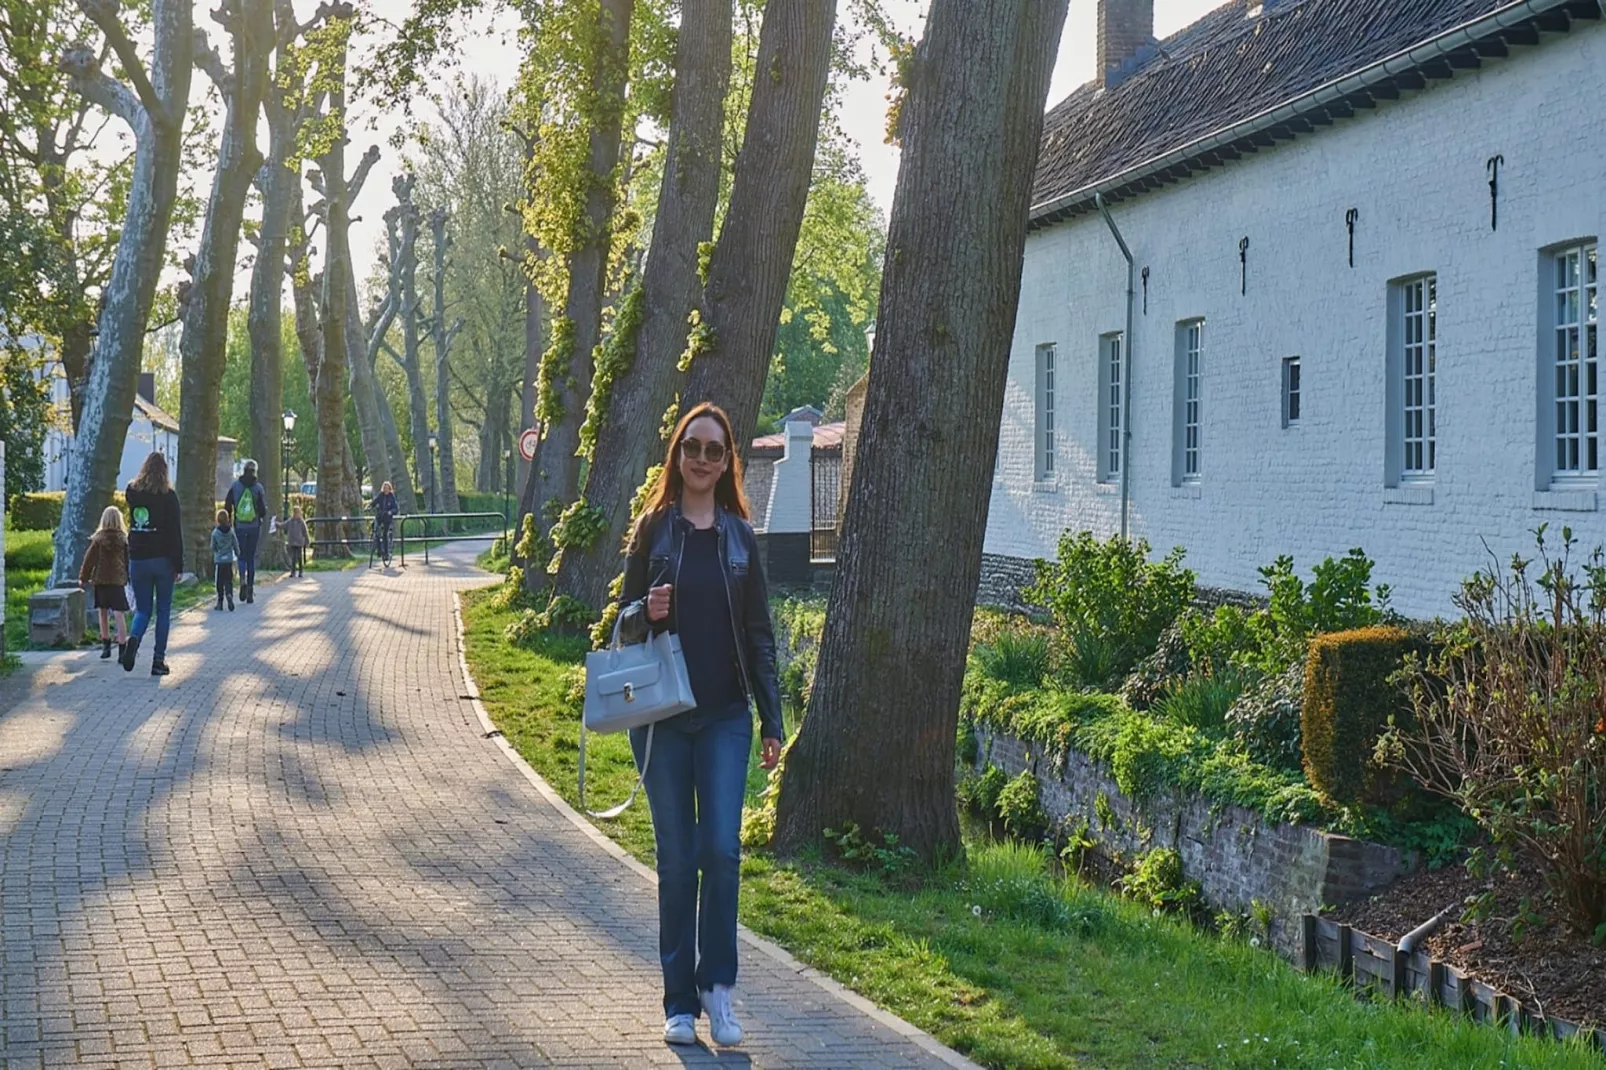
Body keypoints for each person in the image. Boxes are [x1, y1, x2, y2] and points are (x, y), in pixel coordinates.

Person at [616, 402, 784, 1049]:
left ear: (727, 461)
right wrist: (646, 609)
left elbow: (761, 635)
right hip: (662, 719)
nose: (704, 461)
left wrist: (773, 719)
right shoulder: (652, 531)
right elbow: (620, 627)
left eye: (716, 451)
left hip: (724, 718)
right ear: (677, 454)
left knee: (721, 850)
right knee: (678, 860)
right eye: (694, 448)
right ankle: (679, 1002)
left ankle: (719, 987)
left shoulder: (740, 538)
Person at [121, 451, 183, 676]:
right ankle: (158, 661)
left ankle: (134, 639)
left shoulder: (132, 492)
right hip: (163, 559)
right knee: (163, 610)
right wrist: (178, 564)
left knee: (143, 609)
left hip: (138, 558)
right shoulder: (169, 496)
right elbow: (175, 532)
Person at [78, 506, 130, 660]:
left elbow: (89, 560)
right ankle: (122, 648)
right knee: (119, 613)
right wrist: (130, 577)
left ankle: (106, 646)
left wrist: (83, 577)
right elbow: (128, 560)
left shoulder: (98, 540)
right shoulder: (124, 540)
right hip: (118, 580)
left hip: (101, 580)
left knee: (102, 612)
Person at [224, 459, 268, 603]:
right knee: (251, 558)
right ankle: (250, 590)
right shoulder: (258, 488)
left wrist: (230, 519)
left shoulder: (235, 486)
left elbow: (227, 505)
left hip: (240, 527)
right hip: (254, 527)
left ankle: (242, 578)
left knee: (241, 556)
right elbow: (262, 511)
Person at [212, 509, 239, 611]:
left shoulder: (215, 533)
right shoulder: (231, 532)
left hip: (219, 560)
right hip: (228, 560)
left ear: (217, 520)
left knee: (219, 582)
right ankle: (229, 594)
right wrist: (237, 553)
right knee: (228, 580)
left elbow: (212, 546)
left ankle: (220, 602)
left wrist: (216, 551)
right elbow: (235, 543)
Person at [371, 481, 398, 564]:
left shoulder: (391, 497)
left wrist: (391, 512)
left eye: (387, 488)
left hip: (387, 518)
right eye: (384, 488)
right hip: (380, 516)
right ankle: (379, 549)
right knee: (376, 530)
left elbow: (396, 508)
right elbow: (374, 502)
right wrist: (369, 506)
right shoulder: (380, 495)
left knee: (385, 534)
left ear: (390, 489)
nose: (386, 490)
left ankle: (386, 553)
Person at [285, 506, 310, 577]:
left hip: (299, 542)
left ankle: (300, 571)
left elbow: (305, 532)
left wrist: (307, 541)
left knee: (299, 557)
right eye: (294, 513)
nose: (296, 515)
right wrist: (276, 524)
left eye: (297, 513)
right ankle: (293, 572)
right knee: (293, 557)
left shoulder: (301, 522)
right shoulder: (290, 521)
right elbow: (284, 525)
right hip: (292, 542)